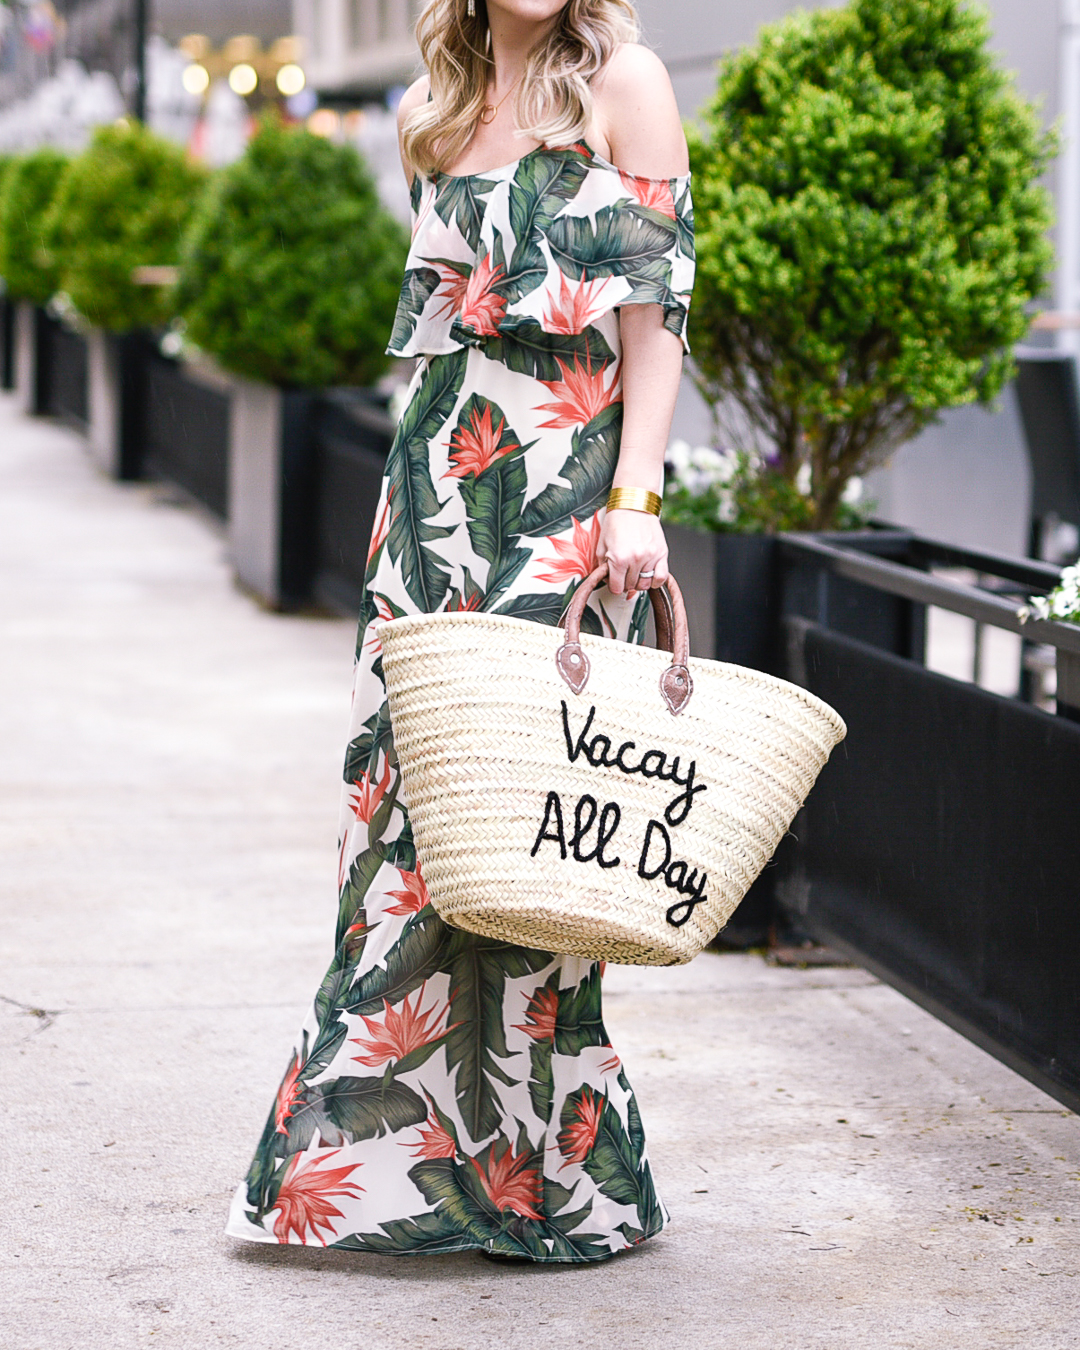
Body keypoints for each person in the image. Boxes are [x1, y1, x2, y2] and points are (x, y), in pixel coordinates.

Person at [226, 0, 694, 1262]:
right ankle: (379, 1178)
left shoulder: (626, 83)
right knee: (409, 827)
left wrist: (635, 500)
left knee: (530, 832)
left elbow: (658, 323)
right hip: (433, 491)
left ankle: (542, 1180)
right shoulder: (435, 110)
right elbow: (440, 342)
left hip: (556, 493)